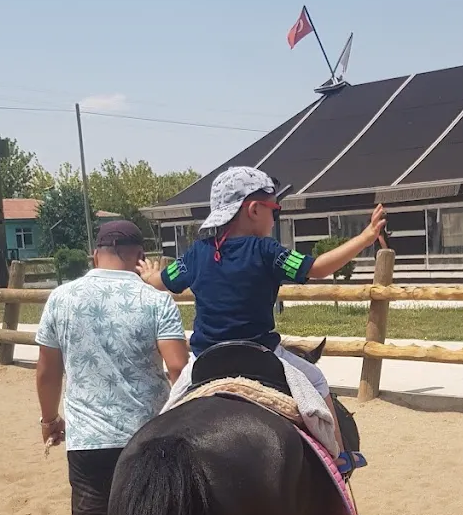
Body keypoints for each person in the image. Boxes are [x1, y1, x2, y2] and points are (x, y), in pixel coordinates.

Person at [137, 166, 385, 469]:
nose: (274, 216)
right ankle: (339, 456)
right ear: (254, 209)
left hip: (206, 358)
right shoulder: (267, 250)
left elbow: (164, 280)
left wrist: (149, 276)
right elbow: (318, 267)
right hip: (260, 353)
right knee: (317, 381)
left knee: (169, 411)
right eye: (275, 209)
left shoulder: (195, 254)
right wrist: (365, 236)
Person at [35, 219, 188, 515]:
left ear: (95, 252)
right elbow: (179, 365)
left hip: (89, 442)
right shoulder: (154, 298)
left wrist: (50, 418)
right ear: (139, 254)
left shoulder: (62, 298)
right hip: (148, 437)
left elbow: (47, 371)